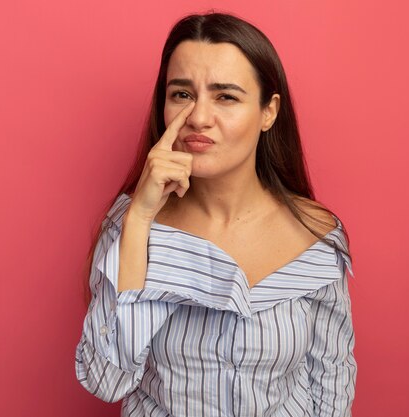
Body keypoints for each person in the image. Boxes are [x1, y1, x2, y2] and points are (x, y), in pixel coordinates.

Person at [75, 12, 356, 416]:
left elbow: (331, 382)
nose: (199, 118)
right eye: (182, 94)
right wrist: (139, 221)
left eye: (226, 96)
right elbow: (105, 380)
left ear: (268, 112)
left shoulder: (316, 235)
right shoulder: (130, 223)